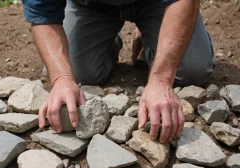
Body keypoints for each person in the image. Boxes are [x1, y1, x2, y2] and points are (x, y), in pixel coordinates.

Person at [21, 0, 214, 143]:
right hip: (90, 5)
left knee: (192, 71)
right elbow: (43, 13)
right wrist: (61, 78)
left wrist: (161, 79)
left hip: (160, 3)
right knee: (79, 74)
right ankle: (108, 40)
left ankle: (150, 34)